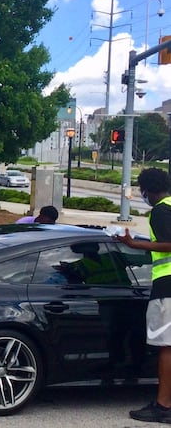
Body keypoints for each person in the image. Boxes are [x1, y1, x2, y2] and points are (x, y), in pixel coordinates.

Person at [116, 168, 171, 423]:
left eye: (142, 190)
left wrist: (136, 245)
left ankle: (162, 406)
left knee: (166, 348)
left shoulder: (161, 209)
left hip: (167, 287)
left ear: (147, 190)